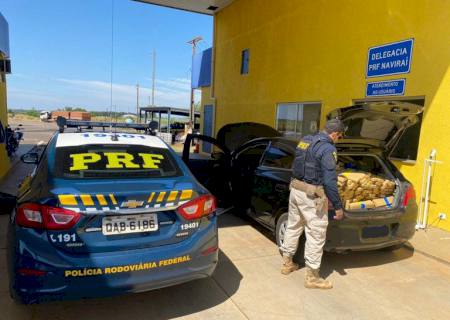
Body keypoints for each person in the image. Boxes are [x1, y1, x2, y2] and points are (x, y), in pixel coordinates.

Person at [279, 119, 345, 289]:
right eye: (339, 136)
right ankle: (312, 277)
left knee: (294, 226)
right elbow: (330, 181)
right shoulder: (328, 148)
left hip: (295, 189)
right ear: (335, 134)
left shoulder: (305, 140)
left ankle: (287, 263)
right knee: (316, 234)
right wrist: (337, 206)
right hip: (311, 196)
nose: (338, 140)